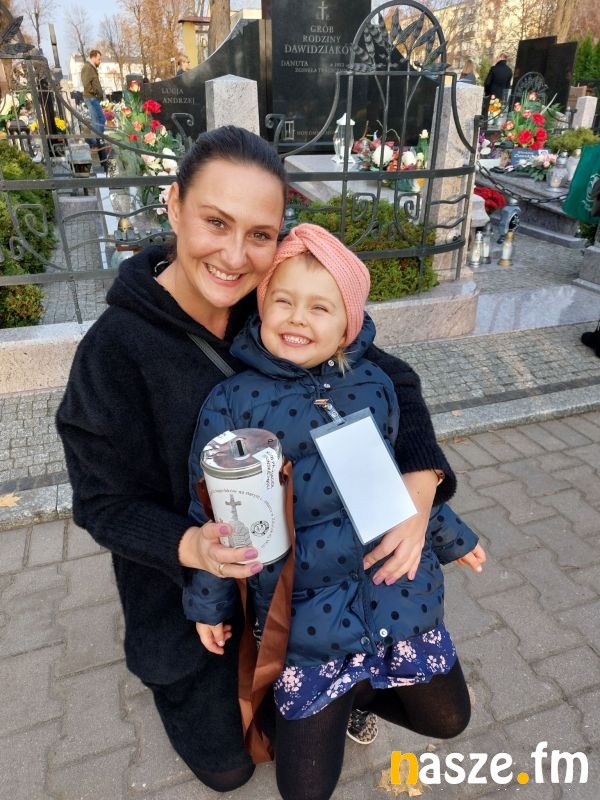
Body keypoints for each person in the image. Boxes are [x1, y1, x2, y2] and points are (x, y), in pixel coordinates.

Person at [55, 126, 461, 794]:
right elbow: (102, 504)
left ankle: (348, 683)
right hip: (200, 599)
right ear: (174, 205)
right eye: (215, 222)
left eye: (260, 233)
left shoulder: (274, 293)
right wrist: (193, 548)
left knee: (410, 710)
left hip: (313, 586)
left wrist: (419, 486)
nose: (234, 255)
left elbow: (388, 376)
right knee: (233, 768)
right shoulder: (114, 352)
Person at [184, 223, 487, 800]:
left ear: (347, 321)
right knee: (304, 790)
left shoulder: (375, 383)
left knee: (448, 719)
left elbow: (396, 484)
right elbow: (213, 518)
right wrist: (209, 601)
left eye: (320, 307)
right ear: (261, 307)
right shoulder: (232, 402)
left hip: (396, 593)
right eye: (283, 301)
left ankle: (362, 690)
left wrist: (450, 533)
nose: (297, 318)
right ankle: (345, 695)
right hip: (307, 625)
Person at [80, 49, 109, 171]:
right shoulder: (87, 67)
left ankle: (96, 140)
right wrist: (95, 92)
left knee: (98, 120)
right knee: (99, 119)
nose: (100, 61)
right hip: (90, 97)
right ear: (93, 57)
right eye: (99, 59)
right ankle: (95, 141)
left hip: (93, 97)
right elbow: (86, 84)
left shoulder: (91, 67)